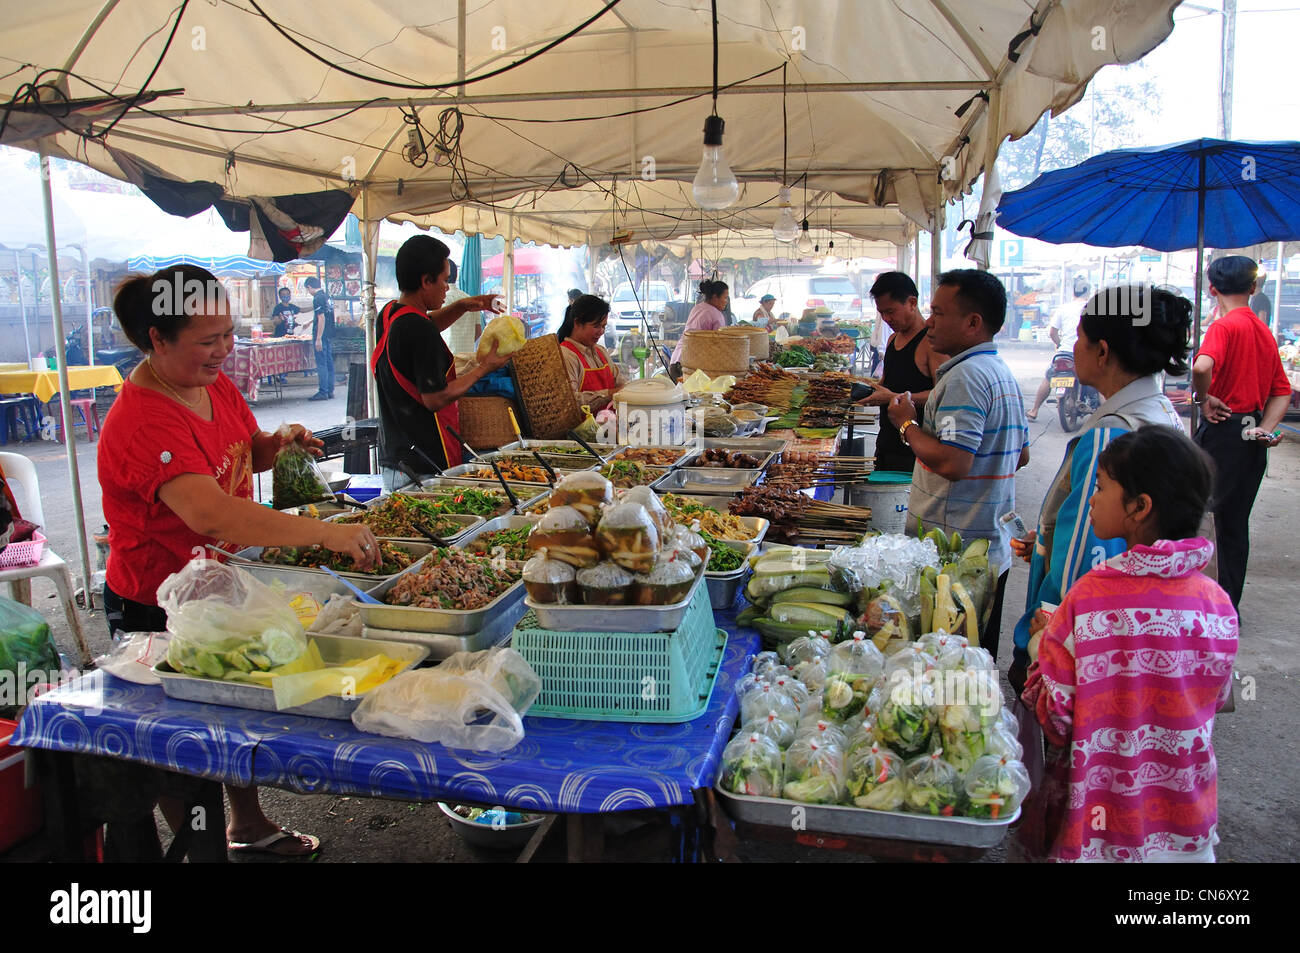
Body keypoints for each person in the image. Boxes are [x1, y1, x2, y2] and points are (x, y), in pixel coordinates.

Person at [98, 265, 381, 859]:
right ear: (157, 339)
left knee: (229, 711)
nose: (225, 349)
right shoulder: (143, 420)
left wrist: (277, 446)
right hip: (159, 604)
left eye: (228, 333)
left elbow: (240, 452)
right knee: (184, 748)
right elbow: (214, 515)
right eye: (208, 340)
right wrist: (324, 535)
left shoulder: (211, 383)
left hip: (222, 587)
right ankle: (198, 846)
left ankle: (247, 825)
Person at [1020, 427, 1237, 862]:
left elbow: (1056, 718)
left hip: (1100, 833)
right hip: (1185, 831)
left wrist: (1040, 648)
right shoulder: (1216, 603)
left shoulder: (1091, 597)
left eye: (1100, 488)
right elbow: (1218, 697)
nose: (1092, 499)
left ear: (1140, 508)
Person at [1008, 285, 1191, 694]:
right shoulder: (1160, 413)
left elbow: (1080, 563)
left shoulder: (1112, 434)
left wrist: (1044, 642)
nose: (1074, 347)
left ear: (1103, 351)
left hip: (1082, 651)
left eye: (1079, 337)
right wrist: (1051, 538)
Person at [885, 269, 1029, 661]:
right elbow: (1021, 454)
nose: (929, 322)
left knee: (950, 663)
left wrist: (907, 425)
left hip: (957, 560)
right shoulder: (1000, 372)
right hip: (985, 552)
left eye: (938, 312)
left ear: (972, 323)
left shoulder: (964, 378)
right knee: (974, 661)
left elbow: (953, 462)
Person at [1191, 255, 1292, 615]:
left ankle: (1206, 606)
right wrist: (1265, 428)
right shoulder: (1263, 331)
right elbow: (1282, 391)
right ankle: (1227, 605)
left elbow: (1202, 366)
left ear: (1212, 288)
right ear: (1253, 287)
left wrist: (1203, 399)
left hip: (1222, 431)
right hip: (1251, 436)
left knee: (1203, 517)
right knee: (1234, 522)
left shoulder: (1223, 326)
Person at [373, 235, 510, 489]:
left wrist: (466, 305)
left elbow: (428, 323)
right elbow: (435, 398)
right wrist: (485, 368)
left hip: (396, 459)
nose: (447, 287)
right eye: (444, 280)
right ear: (426, 281)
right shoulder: (417, 328)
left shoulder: (390, 313)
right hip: (421, 467)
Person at [854, 272, 945, 473]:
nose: (886, 319)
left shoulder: (930, 344)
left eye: (891, 311)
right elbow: (887, 384)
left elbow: (943, 395)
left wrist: (894, 397)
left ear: (912, 302)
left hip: (915, 449)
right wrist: (868, 388)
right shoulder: (892, 340)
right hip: (886, 441)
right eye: (881, 313)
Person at [1026, 280, 1090, 421]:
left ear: (1073, 292)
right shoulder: (1091, 308)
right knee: (1097, 380)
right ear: (1088, 293)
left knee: (1049, 377)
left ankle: (1034, 410)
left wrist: (1060, 344)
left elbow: (1052, 333)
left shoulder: (1063, 308)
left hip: (1064, 352)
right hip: (1084, 353)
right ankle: (1103, 415)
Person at [558, 294, 629, 412]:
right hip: (583, 429)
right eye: (596, 326)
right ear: (577, 323)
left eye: (604, 326)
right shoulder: (566, 355)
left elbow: (620, 383)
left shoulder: (601, 351)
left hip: (608, 426)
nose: (601, 332)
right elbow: (570, 402)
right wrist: (610, 394)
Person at [669, 278, 728, 377]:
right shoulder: (716, 315)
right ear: (715, 297)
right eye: (725, 298)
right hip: (690, 365)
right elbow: (718, 344)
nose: (726, 302)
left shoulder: (698, 307)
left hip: (676, 360)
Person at [304, 276, 335, 401]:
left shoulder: (317, 298)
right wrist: (311, 322)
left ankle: (323, 391)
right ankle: (330, 390)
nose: (308, 292)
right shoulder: (327, 297)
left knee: (322, 363)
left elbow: (321, 318)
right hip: (328, 334)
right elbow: (324, 315)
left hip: (322, 335)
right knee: (328, 362)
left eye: (307, 289)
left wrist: (318, 339)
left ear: (309, 287)